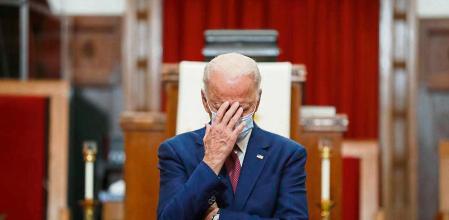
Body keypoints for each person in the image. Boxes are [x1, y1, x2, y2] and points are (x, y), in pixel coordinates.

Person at [157, 53, 308, 220]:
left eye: (242, 108)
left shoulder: (287, 154)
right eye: (221, 107)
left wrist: (218, 218)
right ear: (204, 100)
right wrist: (211, 161)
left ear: (258, 100)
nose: (233, 117)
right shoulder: (176, 151)